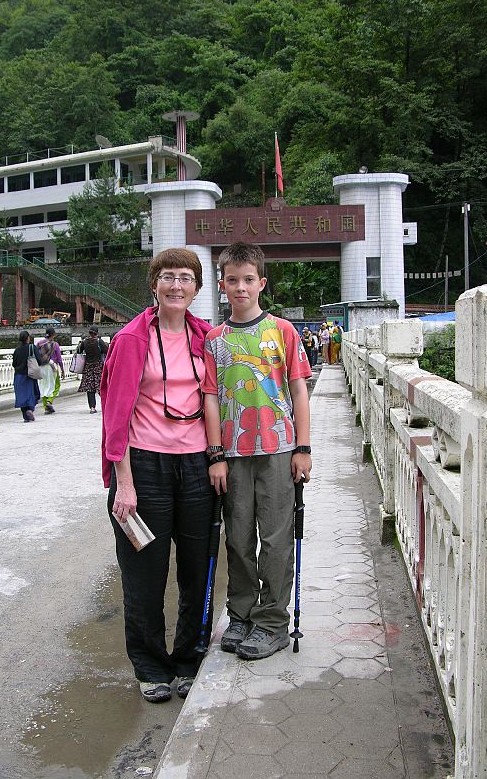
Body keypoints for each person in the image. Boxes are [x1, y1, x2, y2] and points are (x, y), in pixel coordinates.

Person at [100, 248, 213, 703]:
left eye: (185, 278)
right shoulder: (132, 339)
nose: (176, 285)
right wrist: (122, 481)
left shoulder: (206, 336)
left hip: (198, 465)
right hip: (143, 466)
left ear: (197, 288)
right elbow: (115, 415)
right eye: (167, 277)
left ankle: (187, 658)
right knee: (144, 571)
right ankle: (150, 665)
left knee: (196, 567)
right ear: (154, 284)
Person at [204, 242, 312, 660]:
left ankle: (272, 622)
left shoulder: (283, 331)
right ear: (222, 285)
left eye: (249, 279)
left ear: (261, 283)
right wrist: (215, 455)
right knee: (238, 538)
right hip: (232, 453)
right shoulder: (214, 339)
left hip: (279, 449)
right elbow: (211, 398)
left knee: (277, 537)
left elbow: (299, 389)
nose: (241, 287)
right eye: (233, 280)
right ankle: (242, 614)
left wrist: (303, 447)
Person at [12, 330, 41, 422]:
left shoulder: (17, 350)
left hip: (19, 376)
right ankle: (30, 410)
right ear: (28, 338)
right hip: (30, 375)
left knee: (21, 396)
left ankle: (25, 415)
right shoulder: (32, 347)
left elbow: (14, 364)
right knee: (31, 394)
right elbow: (39, 361)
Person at [77, 326, 108, 413]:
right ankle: (107, 404)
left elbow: (79, 352)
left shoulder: (84, 342)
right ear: (97, 333)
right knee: (101, 387)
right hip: (98, 367)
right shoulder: (99, 342)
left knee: (90, 389)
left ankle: (92, 408)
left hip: (88, 367)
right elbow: (107, 351)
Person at [37, 326, 65, 413]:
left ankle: (46, 407)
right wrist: (62, 370)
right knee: (55, 385)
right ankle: (49, 401)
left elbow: (36, 355)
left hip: (41, 367)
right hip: (52, 367)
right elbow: (59, 359)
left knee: (44, 386)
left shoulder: (39, 344)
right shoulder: (55, 344)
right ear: (53, 334)